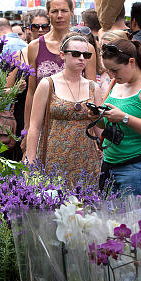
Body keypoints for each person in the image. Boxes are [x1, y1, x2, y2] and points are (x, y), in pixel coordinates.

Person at [25, 34, 102, 185]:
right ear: (62, 55)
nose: (81, 58)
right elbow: (34, 127)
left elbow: (100, 130)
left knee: (86, 207)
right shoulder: (48, 84)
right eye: (75, 54)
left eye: (86, 55)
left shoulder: (93, 88)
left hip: (86, 162)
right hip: (52, 160)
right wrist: (30, 162)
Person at [24, 0, 97, 133]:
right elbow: (31, 91)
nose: (59, 15)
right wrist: (27, 129)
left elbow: (92, 91)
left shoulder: (86, 49)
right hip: (43, 123)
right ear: (48, 14)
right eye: (54, 11)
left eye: (64, 11)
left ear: (71, 12)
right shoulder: (35, 47)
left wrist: (93, 129)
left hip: (77, 124)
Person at [100, 39, 141, 195]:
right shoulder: (115, 82)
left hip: (135, 166)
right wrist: (97, 115)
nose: (111, 75)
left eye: (115, 70)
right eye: (108, 70)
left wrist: (124, 118)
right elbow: (104, 124)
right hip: (108, 164)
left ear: (132, 62)